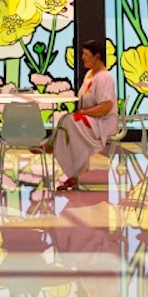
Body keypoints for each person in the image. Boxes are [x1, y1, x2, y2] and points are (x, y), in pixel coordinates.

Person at [53, 45, 120, 190]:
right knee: (65, 119)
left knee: (70, 121)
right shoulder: (90, 74)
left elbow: (106, 106)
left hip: (103, 121)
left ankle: (70, 169)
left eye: (85, 54)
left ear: (97, 56)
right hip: (91, 118)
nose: (82, 57)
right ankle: (73, 173)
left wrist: (84, 113)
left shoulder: (104, 78)